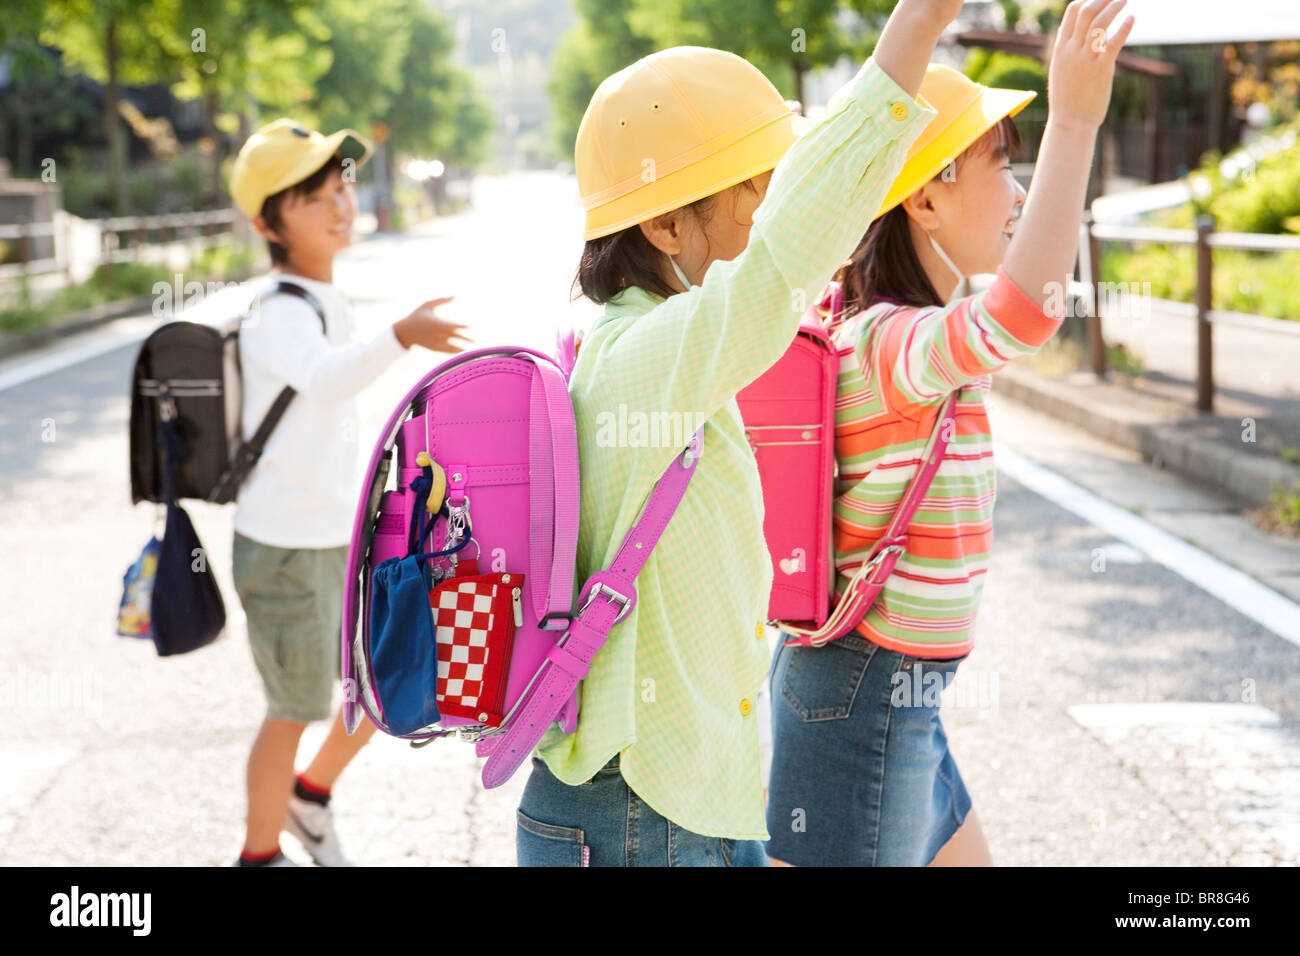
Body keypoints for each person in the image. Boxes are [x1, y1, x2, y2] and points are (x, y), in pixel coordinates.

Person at [513, 0, 969, 867]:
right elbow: (788, 260)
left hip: (667, 799)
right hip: (647, 811)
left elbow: (795, 247)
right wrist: (912, 30)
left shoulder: (650, 347)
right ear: (663, 225)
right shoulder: (648, 355)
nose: (777, 210)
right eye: (756, 191)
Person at [765, 0, 1136, 867]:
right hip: (866, 694)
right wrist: (1075, 121)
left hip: (890, 692)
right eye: (1001, 165)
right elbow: (1027, 311)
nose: (1015, 190)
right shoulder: (890, 340)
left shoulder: (893, 327)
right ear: (927, 196)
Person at [226, 119, 470, 866]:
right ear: (269, 221)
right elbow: (327, 380)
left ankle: (313, 794)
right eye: (313, 195)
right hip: (286, 550)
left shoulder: (324, 300)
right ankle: (259, 852)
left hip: (337, 537)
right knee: (292, 709)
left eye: (340, 188)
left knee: (376, 686)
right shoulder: (278, 309)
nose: (339, 204)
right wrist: (401, 334)